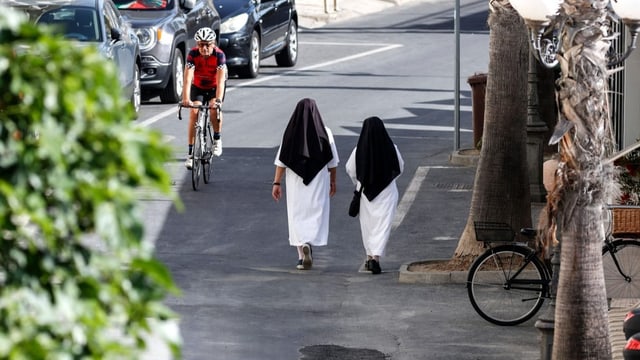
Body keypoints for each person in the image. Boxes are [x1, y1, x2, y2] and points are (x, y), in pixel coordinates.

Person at [272, 98, 339, 270]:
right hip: (319, 180)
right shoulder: (326, 131)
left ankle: (301, 255)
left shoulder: (290, 132)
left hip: (295, 180)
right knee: (315, 212)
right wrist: (333, 181)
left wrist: (276, 182)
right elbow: (332, 161)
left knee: (296, 215)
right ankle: (309, 242)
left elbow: (282, 161)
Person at [345, 116, 403, 274]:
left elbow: (350, 169)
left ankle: (369, 256)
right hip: (387, 192)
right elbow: (400, 167)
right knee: (382, 226)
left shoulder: (358, 150)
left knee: (368, 226)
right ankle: (376, 258)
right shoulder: (391, 147)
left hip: (365, 193)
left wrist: (359, 181)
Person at [182, 27, 227, 169]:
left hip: (214, 87)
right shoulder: (193, 54)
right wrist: (185, 98)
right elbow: (188, 79)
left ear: (213, 44)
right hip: (199, 86)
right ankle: (190, 154)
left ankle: (217, 139)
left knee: (214, 110)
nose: (204, 48)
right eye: (201, 44)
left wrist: (218, 101)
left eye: (207, 44)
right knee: (194, 112)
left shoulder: (219, 56)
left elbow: (221, 82)